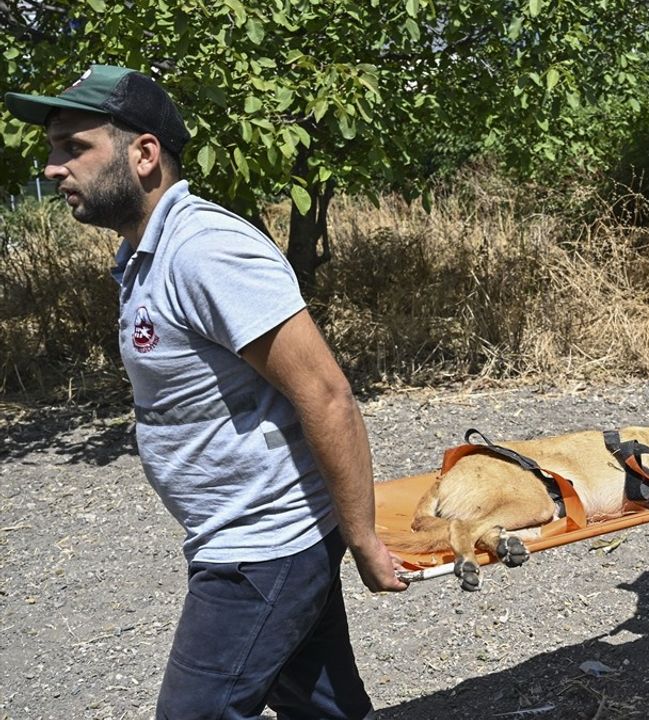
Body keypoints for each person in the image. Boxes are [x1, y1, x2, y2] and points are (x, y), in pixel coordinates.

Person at [4, 65, 408, 719]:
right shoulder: (144, 253)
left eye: (73, 146)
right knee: (322, 705)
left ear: (143, 154)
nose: (53, 168)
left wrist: (363, 538)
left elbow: (327, 392)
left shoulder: (206, 251)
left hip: (261, 548)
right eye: (53, 149)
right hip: (248, 539)